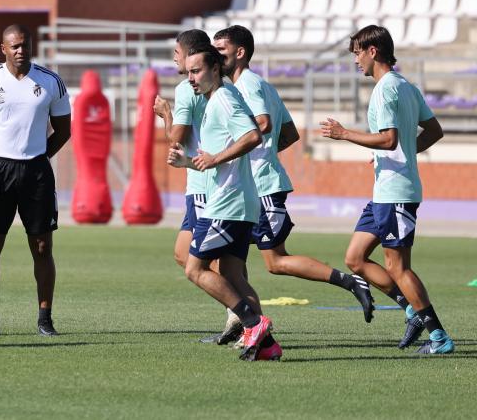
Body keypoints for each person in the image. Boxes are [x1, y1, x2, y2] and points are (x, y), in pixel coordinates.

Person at [211, 26, 375, 328]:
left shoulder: (247, 85)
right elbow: (289, 133)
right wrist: (265, 152)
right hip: (253, 186)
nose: (215, 56)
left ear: (240, 52)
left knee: (273, 262)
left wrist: (235, 148)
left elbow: (264, 122)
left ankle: (351, 282)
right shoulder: (263, 85)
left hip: (261, 188)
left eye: (221, 51)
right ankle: (244, 323)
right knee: (226, 259)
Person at [320, 25, 453, 354]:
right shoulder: (405, 86)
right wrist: (398, 154)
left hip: (396, 194)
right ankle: (411, 310)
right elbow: (433, 131)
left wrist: (344, 134)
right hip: (386, 191)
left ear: (373, 51)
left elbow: (389, 138)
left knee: (398, 266)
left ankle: (438, 337)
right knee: (354, 257)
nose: (355, 61)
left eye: (357, 53)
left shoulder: (385, 90)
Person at [168, 44, 280, 361]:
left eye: (196, 71)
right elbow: (220, 157)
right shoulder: (215, 100)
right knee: (232, 274)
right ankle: (267, 346)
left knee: (194, 268)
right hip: (237, 201)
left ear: (215, 69)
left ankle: (252, 323)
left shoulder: (225, 99)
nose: (191, 78)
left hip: (228, 204)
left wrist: (215, 158)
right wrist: (189, 163)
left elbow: (252, 136)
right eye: (188, 72)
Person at [0, 24, 71, 337]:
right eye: (14, 46)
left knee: (41, 247)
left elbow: (63, 131)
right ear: (3, 48)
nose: (20, 51)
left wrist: (38, 157)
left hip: (36, 172)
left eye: (25, 45)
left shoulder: (51, 82)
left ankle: (45, 319)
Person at [153, 29, 240, 345]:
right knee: (184, 254)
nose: (174, 58)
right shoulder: (215, 86)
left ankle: (242, 314)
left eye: (176, 51)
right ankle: (238, 312)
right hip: (201, 182)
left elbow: (175, 140)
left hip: (205, 182)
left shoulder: (187, 89)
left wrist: (165, 115)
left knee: (206, 259)